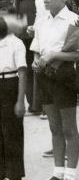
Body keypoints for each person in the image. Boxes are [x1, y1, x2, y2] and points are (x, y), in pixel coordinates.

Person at [31, 0, 79, 180]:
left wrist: (54, 55)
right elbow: (37, 48)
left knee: (69, 127)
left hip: (64, 77)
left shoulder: (73, 20)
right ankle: (58, 171)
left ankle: (71, 173)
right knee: (54, 127)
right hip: (44, 76)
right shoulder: (41, 21)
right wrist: (37, 59)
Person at [0, 16, 27, 180]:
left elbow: (22, 72)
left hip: (10, 85)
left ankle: (15, 174)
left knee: (12, 133)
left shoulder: (16, 43)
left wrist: (20, 101)